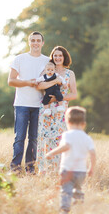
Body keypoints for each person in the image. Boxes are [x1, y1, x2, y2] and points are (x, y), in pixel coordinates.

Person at [7, 31, 50, 174]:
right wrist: (28, 83)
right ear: (29, 42)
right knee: (19, 137)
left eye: (38, 40)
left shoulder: (47, 61)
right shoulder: (19, 59)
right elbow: (11, 81)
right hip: (21, 104)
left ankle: (30, 168)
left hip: (39, 105)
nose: (35, 43)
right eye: (33, 40)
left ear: (42, 43)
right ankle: (15, 168)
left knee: (34, 139)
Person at [46, 106, 96, 214]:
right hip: (82, 171)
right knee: (78, 190)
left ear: (67, 122)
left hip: (67, 169)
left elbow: (66, 146)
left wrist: (51, 153)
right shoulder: (87, 138)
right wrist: (91, 167)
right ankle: (78, 208)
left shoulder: (67, 134)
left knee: (66, 191)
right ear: (84, 123)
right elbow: (92, 153)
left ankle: (64, 210)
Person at [36, 46, 78, 175]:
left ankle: (58, 169)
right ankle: (43, 169)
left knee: (59, 139)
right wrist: (55, 80)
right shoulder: (47, 70)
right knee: (44, 138)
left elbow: (74, 94)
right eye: (55, 55)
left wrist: (58, 98)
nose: (57, 58)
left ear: (64, 57)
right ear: (52, 57)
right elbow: (39, 86)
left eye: (60, 55)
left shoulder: (70, 74)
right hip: (46, 109)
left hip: (60, 110)